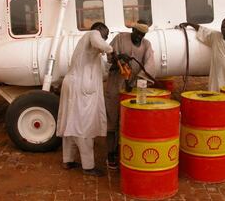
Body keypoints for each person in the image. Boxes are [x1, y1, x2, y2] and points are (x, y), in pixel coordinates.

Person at [57, 22, 113, 177]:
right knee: (84, 126)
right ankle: (88, 166)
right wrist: (111, 50)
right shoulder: (92, 34)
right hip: (80, 89)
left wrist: (111, 64)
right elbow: (99, 41)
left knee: (71, 123)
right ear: (99, 30)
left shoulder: (90, 52)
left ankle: (67, 160)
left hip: (74, 85)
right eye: (106, 35)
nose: (106, 38)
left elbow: (103, 73)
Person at [105, 20, 155, 169]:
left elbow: (149, 67)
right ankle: (110, 153)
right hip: (115, 85)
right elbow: (109, 56)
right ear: (133, 30)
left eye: (142, 34)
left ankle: (128, 152)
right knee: (112, 118)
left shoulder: (146, 45)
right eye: (137, 33)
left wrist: (134, 84)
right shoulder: (120, 38)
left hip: (133, 88)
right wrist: (119, 58)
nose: (139, 36)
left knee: (130, 121)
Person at [179, 17, 225, 92]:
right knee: (217, 97)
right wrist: (189, 24)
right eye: (222, 27)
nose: (223, 29)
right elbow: (203, 30)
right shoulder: (215, 37)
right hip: (217, 79)